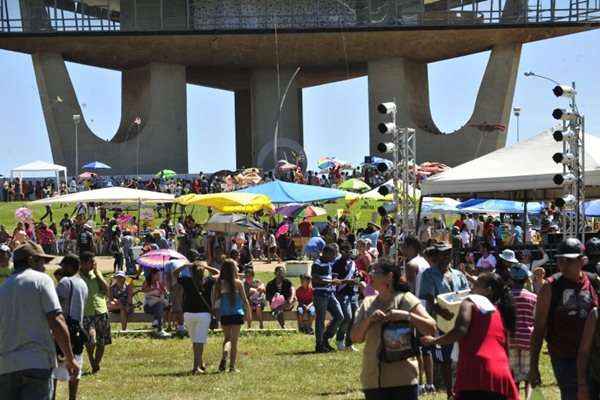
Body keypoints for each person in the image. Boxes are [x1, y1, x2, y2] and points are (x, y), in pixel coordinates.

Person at [0, 242, 79, 400]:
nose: (44, 267)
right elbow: (56, 320)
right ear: (31, 260)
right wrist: (70, 359)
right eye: (42, 262)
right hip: (37, 363)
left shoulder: (3, 288)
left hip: (6, 366)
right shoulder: (41, 280)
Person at [421, 273, 519, 400]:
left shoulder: (470, 301)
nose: (471, 288)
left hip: (476, 372)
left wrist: (434, 341)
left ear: (488, 290)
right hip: (501, 373)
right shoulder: (498, 312)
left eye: (477, 284)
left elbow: (460, 330)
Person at [351, 260, 436, 400]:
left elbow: (431, 328)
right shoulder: (367, 303)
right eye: (370, 271)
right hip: (373, 380)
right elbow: (355, 338)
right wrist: (369, 320)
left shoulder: (406, 299)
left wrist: (407, 316)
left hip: (403, 379)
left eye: (375, 272)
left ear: (389, 276)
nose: (370, 275)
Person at [530, 238, 599, 400]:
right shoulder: (550, 287)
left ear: (582, 261)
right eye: (560, 260)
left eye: (569, 260)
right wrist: (533, 366)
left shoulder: (594, 282)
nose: (563, 265)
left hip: (593, 357)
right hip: (564, 358)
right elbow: (539, 328)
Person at [419, 242, 470, 399]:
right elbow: (428, 297)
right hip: (440, 321)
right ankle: (449, 392)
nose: (446, 257)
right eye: (442, 253)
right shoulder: (429, 274)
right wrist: (441, 311)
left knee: (463, 356)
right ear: (436, 255)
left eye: (448, 253)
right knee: (446, 358)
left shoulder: (458, 274)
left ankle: (463, 388)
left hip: (459, 320)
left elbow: (465, 294)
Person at [52, 254, 88, 400]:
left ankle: (51, 396)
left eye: (64, 266)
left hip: (64, 327)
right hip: (77, 328)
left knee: (54, 367)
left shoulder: (65, 282)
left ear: (71, 267)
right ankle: (72, 397)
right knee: (75, 366)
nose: (62, 269)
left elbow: (54, 305)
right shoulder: (82, 283)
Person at [174, 261, 218, 375]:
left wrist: (185, 266)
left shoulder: (187, 281)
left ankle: (200, 363)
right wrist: (206, 266)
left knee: (195, 341)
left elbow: (174, 274)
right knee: (199, 342)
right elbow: (218, 272)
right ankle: (196, 367)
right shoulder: (208, 281)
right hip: (203, 314)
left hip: (188, 314)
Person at [212, 259, 252, 372]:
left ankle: (225, 354)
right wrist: (249, 316)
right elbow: (245, 300)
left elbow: (214, 301)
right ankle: (232, 367)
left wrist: (214, 313)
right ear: (233, 269)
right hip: (237, 314)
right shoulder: (238, 283)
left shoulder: (219, 283)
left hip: (224, 314)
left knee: (227, 339)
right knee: (234, 342)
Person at [80, 251, 111, 373]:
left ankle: (96, 364)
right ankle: (91, 360)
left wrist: (97, 273)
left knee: (102, 342)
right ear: (83, 263)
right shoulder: (77, 277)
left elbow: (106, 290)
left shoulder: (96, 274)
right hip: (86, 312)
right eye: (91, 262)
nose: (94, 264)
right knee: (91, 340)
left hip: (101, 310)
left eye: (94, 262)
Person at [509, 263, 537, 399]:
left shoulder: (506, 297)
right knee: (527, 374)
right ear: (526, 280)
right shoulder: (533, 297)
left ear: (511, 279)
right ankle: (528, 398)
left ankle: (515, 397)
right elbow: (536, 319)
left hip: (511, 338)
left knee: (513, 374)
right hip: (528, 339)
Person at [312, 245, 345, 353]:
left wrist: (334, 279)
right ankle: (319, 345)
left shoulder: (329, 263)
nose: (334, 257)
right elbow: (315, 279)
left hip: (329, 293)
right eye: (333, 255)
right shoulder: (317, 263)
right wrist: (331, 282)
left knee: (339, 316)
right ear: (326, 254)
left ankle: (325, 338)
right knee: (320, 320)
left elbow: (327, 276)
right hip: (320, 294)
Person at [332, 242, 359, 351]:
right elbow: (333, 281)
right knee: (347, 317)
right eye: (347, 252)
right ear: (342, 252)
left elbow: (356, 276)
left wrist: (358, 279)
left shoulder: (353, 263)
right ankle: (339, 340)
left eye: (350, 251)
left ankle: (349, 343)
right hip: (341, 294)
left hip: (353, 293)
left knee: (354, 319)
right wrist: (347, 281)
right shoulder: (337, 264)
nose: (349, 254)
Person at [142, 269, 170, 338]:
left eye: (159, 275)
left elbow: (164, 293)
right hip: (148, 305)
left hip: (157, 305)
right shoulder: (147, 282)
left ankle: (158, 325)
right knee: (159, 305)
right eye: (157, 275)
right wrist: (154, 290)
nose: (159, 276)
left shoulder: (159, 283)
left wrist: (164, 290)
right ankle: (160, 329)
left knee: (161, 306)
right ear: (152, 275)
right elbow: (143, 290)